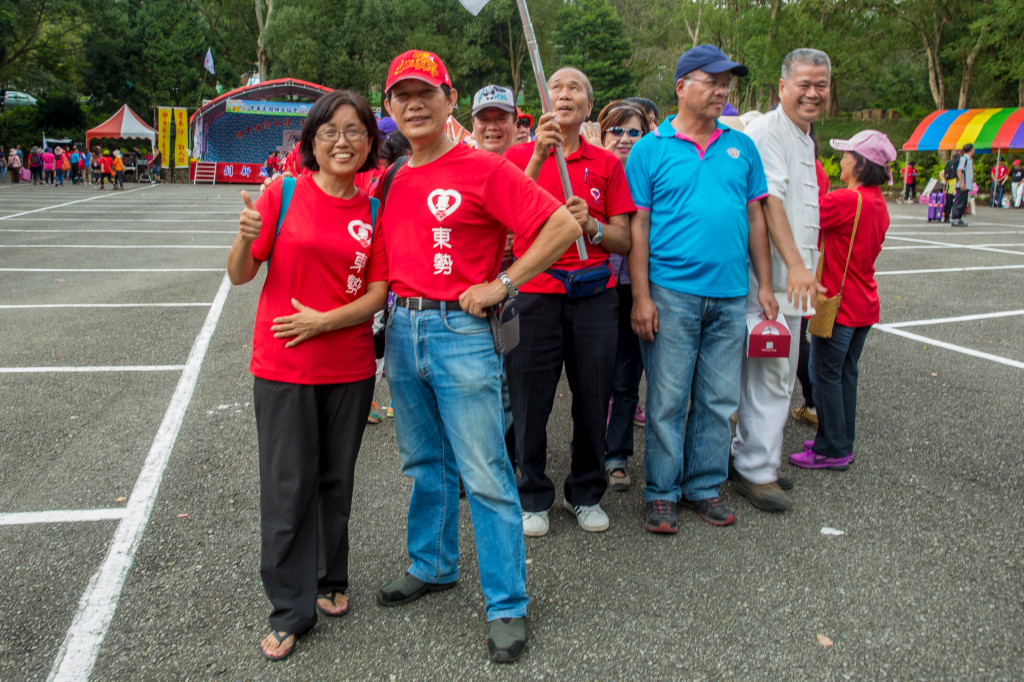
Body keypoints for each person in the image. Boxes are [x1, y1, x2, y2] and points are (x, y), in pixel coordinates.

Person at [374, 49, 580, 663]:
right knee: (425, 461)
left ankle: (507, 604)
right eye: (401, 95)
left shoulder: (484, 168)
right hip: (406, 333)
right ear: (389, 107)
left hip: (463, 332)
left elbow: (562, 226)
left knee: (486, 473)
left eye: (425, 93)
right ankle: (432, 564)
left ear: (449, 98)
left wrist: (505, 282)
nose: (414, 104)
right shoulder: (395, 176)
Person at [226, 89, 388, 662]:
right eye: (329, 131)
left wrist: (326, 322)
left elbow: (378, 293)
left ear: (370, 142)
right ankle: (290, 608)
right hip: (284, 367)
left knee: (336, 481)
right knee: (288, 487)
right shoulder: (282, 192)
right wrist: (245, 235)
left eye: (354, 131)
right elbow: (242, 275)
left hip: (348, 368)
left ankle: (329, 576)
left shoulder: (374, 209)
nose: (342, 141)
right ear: (311, 143)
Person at [625, 44, 776, 534]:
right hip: (671, 294)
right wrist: (641, 297)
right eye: (712, 80)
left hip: (731, 296)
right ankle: (663, 492)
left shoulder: (741, 146)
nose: (722, 90)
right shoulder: (651, 148)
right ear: (681, 86)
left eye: (726, 82)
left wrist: (766, 284)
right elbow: (638, 228)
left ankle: (703, 486)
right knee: (668, 400)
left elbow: (755, 218)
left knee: (717, 399)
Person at [504, 67, 635, 537]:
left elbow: (622, 239)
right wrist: (538, 159)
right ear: (544, 100)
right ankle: (531, 495)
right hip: (535, 294)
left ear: (587, 106)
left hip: (592, 297)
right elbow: (505, 226)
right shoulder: (518, 157)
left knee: (593, 396)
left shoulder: (607, 164)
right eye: (556, 87)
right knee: (529, 401)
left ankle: (586, 492)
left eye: (575, 88)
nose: (564, 94)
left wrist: (593, 226)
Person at [730, 48, 830, 513]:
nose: (813, 94)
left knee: (778, 374)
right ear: (781, 88)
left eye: (822, 85)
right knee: (770, 375)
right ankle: (755, 469)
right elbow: (768, 202)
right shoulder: (769, 131)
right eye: (804, 85)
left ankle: (756, 457)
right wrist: (793, 265)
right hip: (768, 278)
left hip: (791, 280)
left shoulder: (803, 135)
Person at [789, 130, 895, 471]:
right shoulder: (878, 203)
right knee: (845, 374)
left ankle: (831, 449)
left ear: (861, 165)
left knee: (824, 375)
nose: (842, 160)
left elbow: (803, 214)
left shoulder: (848, 200)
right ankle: (839, 441)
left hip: (839, 304)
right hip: (863, 303)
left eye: (848, 155)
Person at [586, 100, 650, 492]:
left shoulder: (650, 175)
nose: (625, 140)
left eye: (634, 133)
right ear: (602, 132)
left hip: (636, 287)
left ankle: (616, 456)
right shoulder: (590, 170)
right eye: (617, 132)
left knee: (627, 376)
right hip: (595, 285)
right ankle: (588, 452)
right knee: (591, 378)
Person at [950, 143, 975, 227]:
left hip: (967, 185)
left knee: (963, 202)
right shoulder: (964, 159)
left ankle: (958, 218)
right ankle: (955, 218)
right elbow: (959, 170)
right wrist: (962, 183)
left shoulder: (969, 160)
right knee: (959, 201)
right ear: (971, 150)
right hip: (962, 185)